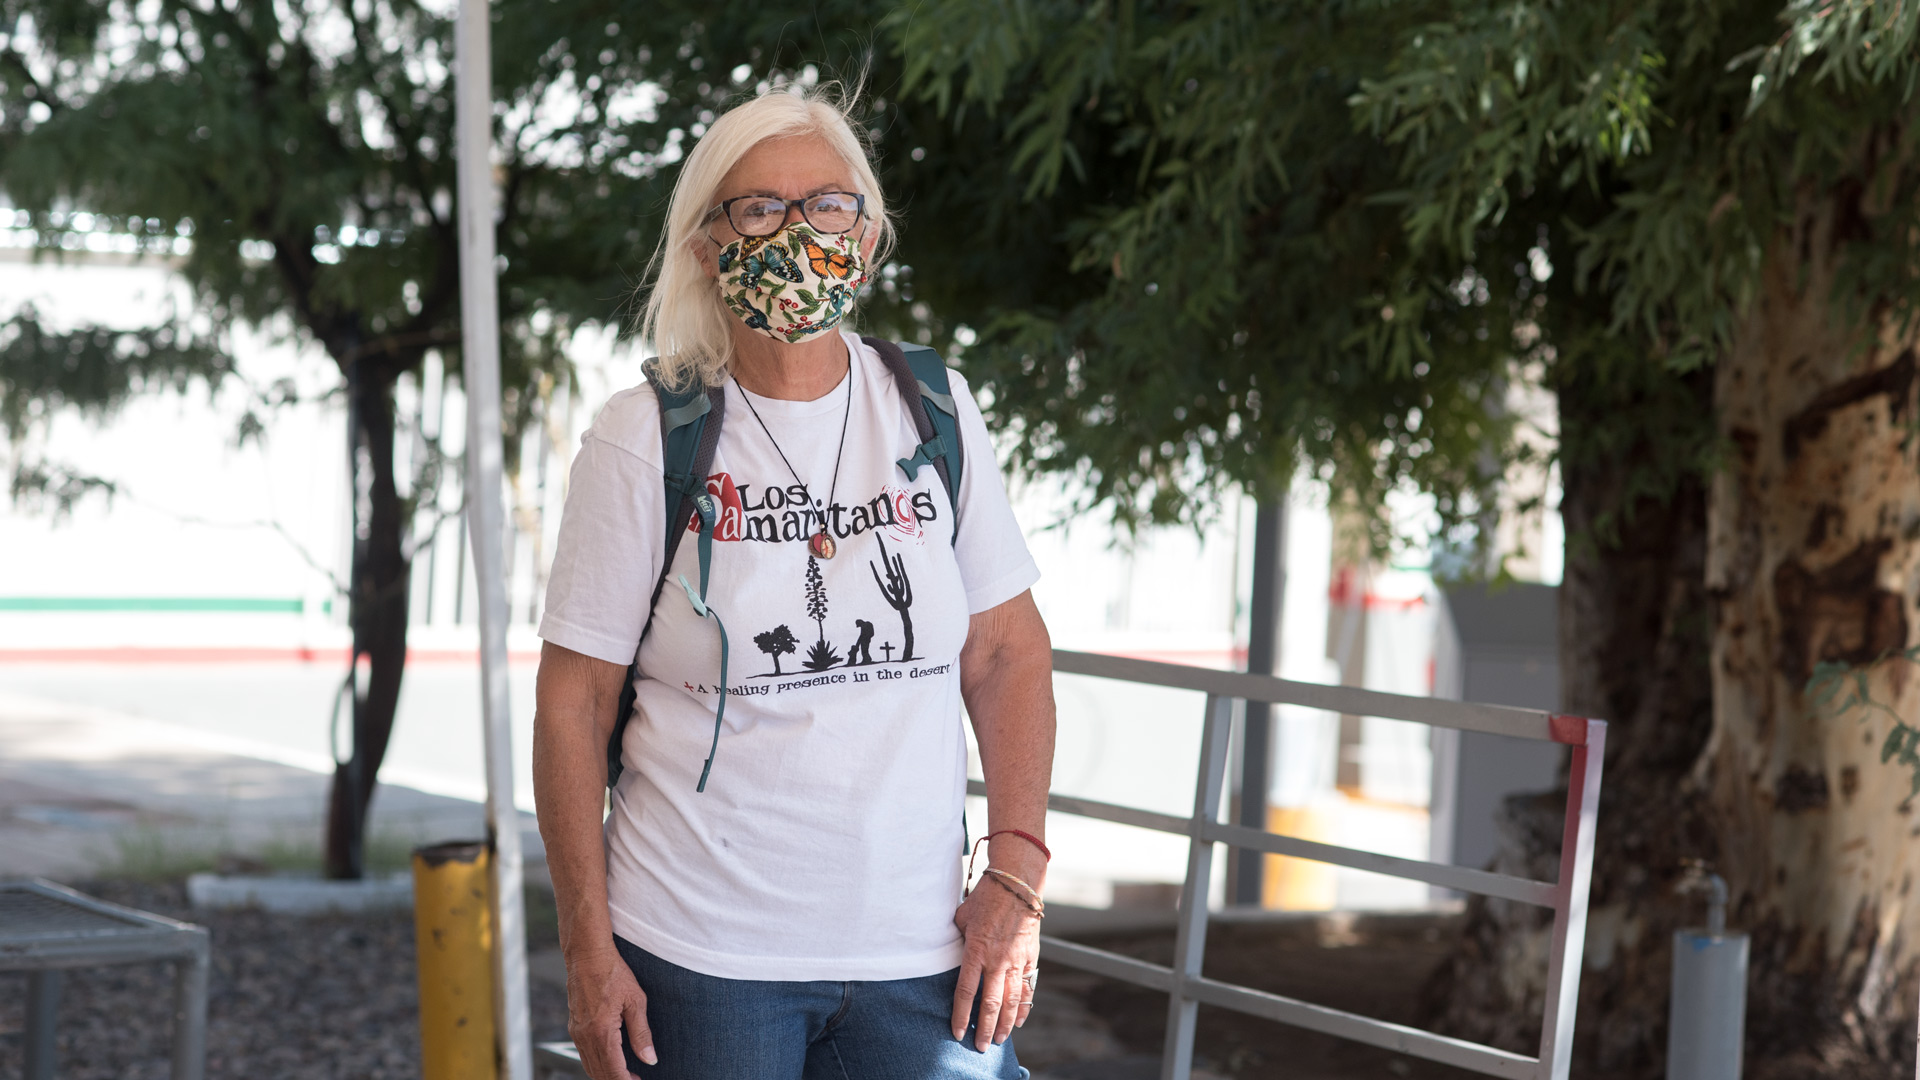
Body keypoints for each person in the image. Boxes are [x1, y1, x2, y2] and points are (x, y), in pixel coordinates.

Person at [533, 84, 1058, 1080]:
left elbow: (1005, 651)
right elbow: (574, 698)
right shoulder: (645, 437)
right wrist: (587, 952)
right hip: (703, 958)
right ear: (705, 245)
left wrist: (1017, 875)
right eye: (759, 209)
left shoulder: (933, 407)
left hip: (924, 956)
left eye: (826, 206)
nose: (795, 234)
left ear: (865, 240)